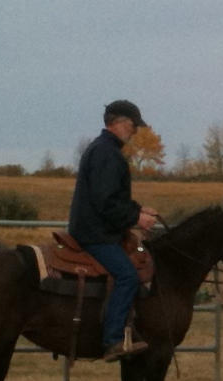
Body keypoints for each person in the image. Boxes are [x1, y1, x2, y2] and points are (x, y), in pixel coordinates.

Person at [68, 100, 158, 362]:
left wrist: (139, 210)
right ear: (118, 123)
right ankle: (112, 339)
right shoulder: (108, 154)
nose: (135, 132)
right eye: (133, 126)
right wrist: (136, 218)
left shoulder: (103, 149)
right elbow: (105, 202)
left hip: (96, 228)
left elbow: (112, 198)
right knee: (127, 275)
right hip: (96, 233)